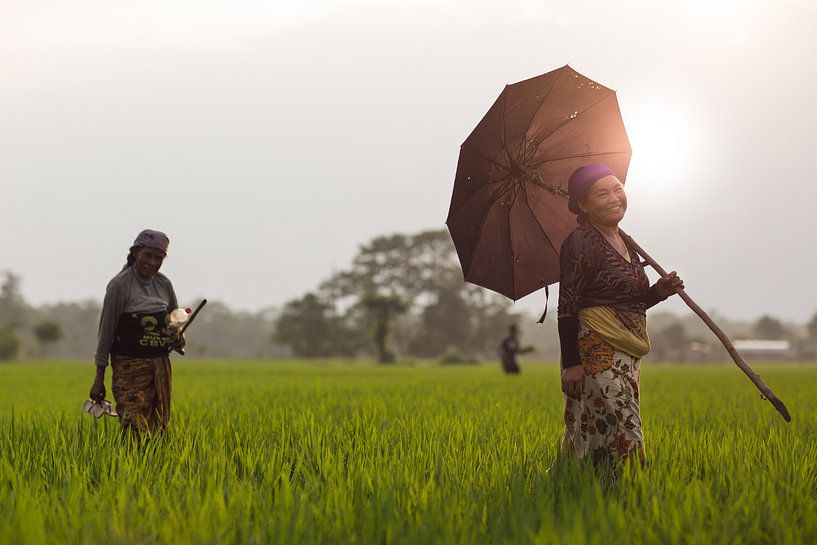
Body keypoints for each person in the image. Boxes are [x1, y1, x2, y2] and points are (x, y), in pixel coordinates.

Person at [557, 164, 683, 470]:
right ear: (583, 205)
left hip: (626, 350)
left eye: (617, 189)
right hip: (596, 349)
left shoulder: (627, 243)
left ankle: (587, 486)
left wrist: (659, 291)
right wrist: (572, 364)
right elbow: (567, 305)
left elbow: (631, 302)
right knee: (623, 423)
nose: (615, 197)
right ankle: (631, 489)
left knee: (596, 423)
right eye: (602, 193)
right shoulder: (581, 242)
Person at [89, 229, 183, 438]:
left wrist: (177, 336)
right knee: (133, 425)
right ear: (135, 253)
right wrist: (99, 378)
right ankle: (130, 469)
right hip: (129, 366)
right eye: (147, 255)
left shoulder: (164, 284)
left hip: (159, 365)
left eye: (158, 258)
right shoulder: (119, 285)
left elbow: (174, 321)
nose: (152, 262)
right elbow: (105, 334)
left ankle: (156, 469)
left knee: (159, 426)